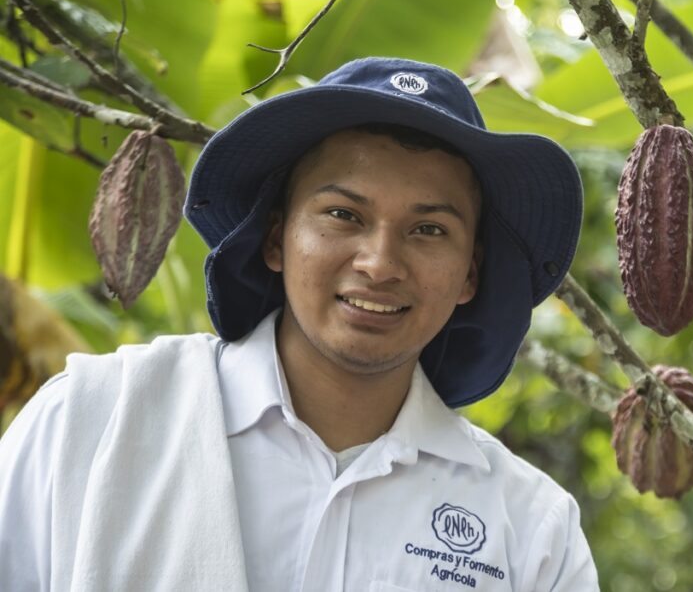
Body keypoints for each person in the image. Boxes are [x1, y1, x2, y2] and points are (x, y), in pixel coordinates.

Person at [0, 57, 598, 590]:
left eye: (429, 230)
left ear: (470, 274)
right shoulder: (92, 420)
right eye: (343, 213)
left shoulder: (531, 530)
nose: (380, 264)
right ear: (275, 237)